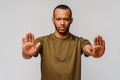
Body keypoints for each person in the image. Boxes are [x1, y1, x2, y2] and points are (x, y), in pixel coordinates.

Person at [22, 4, 105, 80]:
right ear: (53, 20)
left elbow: (87, 48)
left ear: (71, 20)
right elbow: (28, 54)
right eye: (58, 19)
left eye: (66, 19)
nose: (62, 23)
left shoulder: (79, 42)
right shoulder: (42, 41)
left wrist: (92, 52)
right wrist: (27, 53)